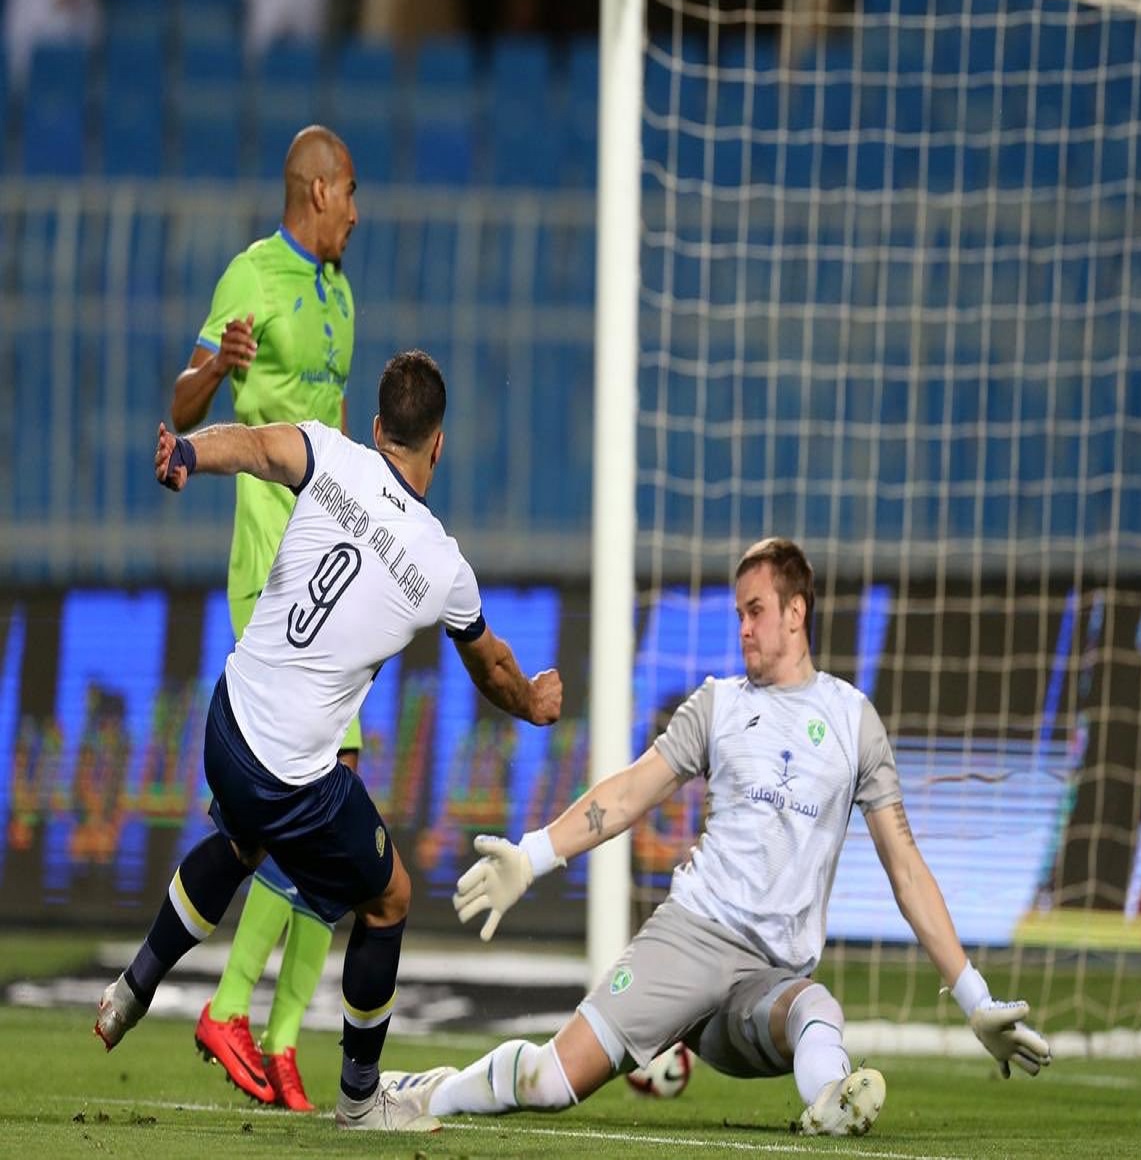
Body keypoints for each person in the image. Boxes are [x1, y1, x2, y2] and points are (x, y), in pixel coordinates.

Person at [425, 538, 1050, 1137]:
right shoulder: (718, 705)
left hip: (770, 978)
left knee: (818, 1011)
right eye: (739, 614)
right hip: (692, 939)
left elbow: (905, 868)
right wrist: (533, 855)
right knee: (548, 1082)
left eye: (755, 612)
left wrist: (976, 1000)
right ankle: (430, 1092)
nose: (743, 628)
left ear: (795, 611)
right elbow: (628, 794)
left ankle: (832, 1104)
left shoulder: (854, 722)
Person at [95, 349, 563, 1134]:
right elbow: (494, 667)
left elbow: (255, 444)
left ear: (379, 427)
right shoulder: (443, 565)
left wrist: (187, 453)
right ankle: (359, 1100)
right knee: (390, 899)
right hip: (291, 775)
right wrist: (533, 704)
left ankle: (134, 989)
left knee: (243, 839)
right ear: (437, 445)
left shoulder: (328, 453)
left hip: (227, 720)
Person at [170, 123, 362, 1111]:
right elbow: (184, 394)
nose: (359, 213)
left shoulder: (340, 293)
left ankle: (283, 1037)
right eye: (352, 194)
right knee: (308, 796)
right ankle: (233, 1004)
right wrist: (218, 365)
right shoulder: (250, 274)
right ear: (317, 192)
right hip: (268, 570)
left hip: (335, 574)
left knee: (342, 793)